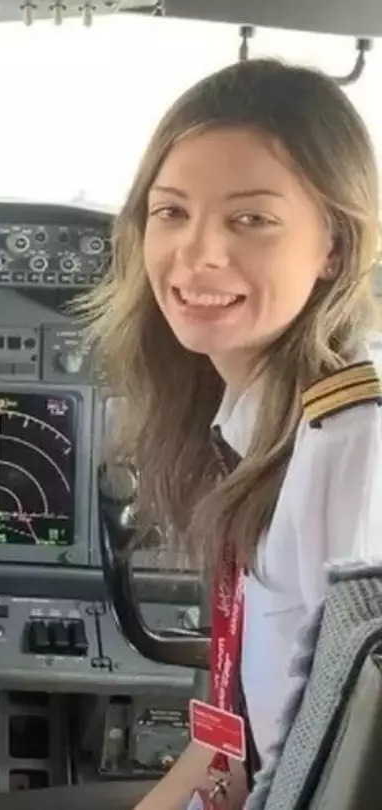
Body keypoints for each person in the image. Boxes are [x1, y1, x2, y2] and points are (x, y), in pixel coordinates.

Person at [77, 59, 382, 810]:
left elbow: (339, 768)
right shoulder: (251, 420)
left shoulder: (351, 447)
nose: (199, 253)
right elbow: (233, 738)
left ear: (334, 247)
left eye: (251, 219)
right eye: (172, 212)